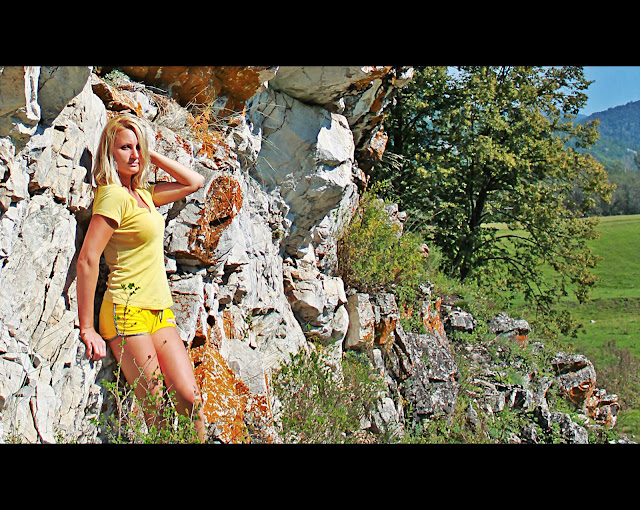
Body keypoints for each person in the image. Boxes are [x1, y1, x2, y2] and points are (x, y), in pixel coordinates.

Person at [76, 113, 206, 442]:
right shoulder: (113, 196)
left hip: (159, 312)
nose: (134, 154)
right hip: (125, 311)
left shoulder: (144, 195)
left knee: (190, 400)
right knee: (157, 411)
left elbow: (194, 182)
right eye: (125, 148)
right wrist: (87, 327)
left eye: (138, 147)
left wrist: (149, 153)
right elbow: (88, 259)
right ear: (109, 152)